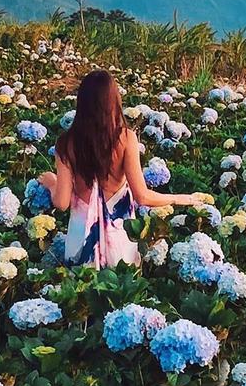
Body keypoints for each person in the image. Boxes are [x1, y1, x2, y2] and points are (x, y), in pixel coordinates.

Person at [38, 69, 206, 269]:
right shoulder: (125, 138)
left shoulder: (66, 143)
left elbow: (62, 203)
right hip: (120, 236)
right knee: (123, 288)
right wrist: (182, 198)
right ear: (113, 101)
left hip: (81, 239)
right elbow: (142, 196)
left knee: (81, 291)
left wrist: (52, 183)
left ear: (81, 102)